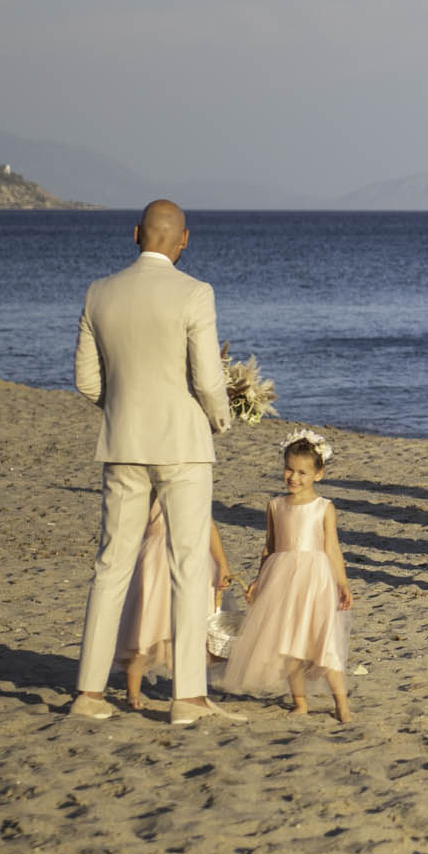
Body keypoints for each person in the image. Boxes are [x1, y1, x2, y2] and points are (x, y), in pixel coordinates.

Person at [71, 199, 239, 725]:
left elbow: (85, 380)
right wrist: (222, 419)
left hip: (123, 442)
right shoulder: (195, 293)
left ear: (135, 233)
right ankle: (187, 698)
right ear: (183, 240)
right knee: (189, 567)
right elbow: (210, 379)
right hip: (183, 444)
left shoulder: (100, 292)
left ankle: (89, 694)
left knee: (111, 565)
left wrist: (122, 408)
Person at [223, 430, 355, 722]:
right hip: (280, 579)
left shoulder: (324, 508)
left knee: (323, 641)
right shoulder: (275, 505)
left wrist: (342, 583)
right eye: (289, 469)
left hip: (315, 580)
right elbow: (269, 546)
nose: (293, 477)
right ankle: (300, 702)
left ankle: (341, 703)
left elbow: (332, 548)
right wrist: (259, 580)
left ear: (318, 474)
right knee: (289, 642)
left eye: (302, 472)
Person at [119, 514, 236, 711]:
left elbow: (207, 523)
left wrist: (222, 564)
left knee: (195, 626)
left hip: (191, 555)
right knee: (146, 624)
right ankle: (133, 693)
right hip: (154, 558)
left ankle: (190, 690)